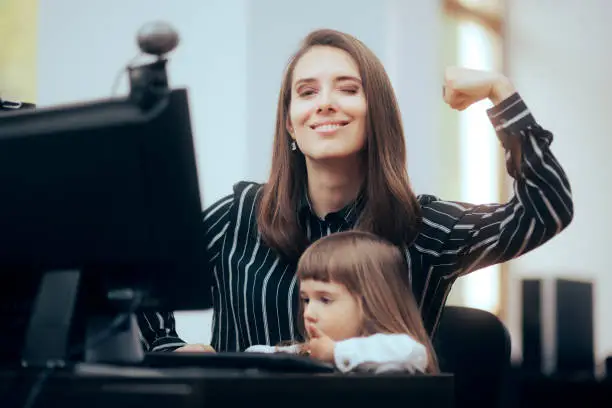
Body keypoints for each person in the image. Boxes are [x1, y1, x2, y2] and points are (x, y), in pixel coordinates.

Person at [138, 28, 573, 353]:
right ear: (291, 123)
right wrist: (165, 345)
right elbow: (140, 271)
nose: (325, 102)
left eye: (348, 89)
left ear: (375, 113)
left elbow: (546, 210)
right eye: (307, 92)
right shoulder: (239, 214)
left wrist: (500, 93)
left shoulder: (425, 227)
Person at [245, 230, 438, 374]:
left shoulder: (395, 354)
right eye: (306, 299)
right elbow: (259, 354)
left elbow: (411, 352)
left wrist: (335, 352)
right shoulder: (311, 351)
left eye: (325, 300)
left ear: (371, 303)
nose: (308, 313)